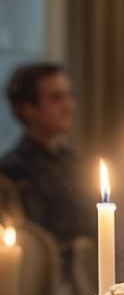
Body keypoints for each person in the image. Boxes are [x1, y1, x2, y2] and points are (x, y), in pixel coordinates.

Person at [0, 63, 94, 264]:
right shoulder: (11, 172)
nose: (68, 106)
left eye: (69, 96)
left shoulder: (76, 164)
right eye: (56, 98)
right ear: (25, 108)